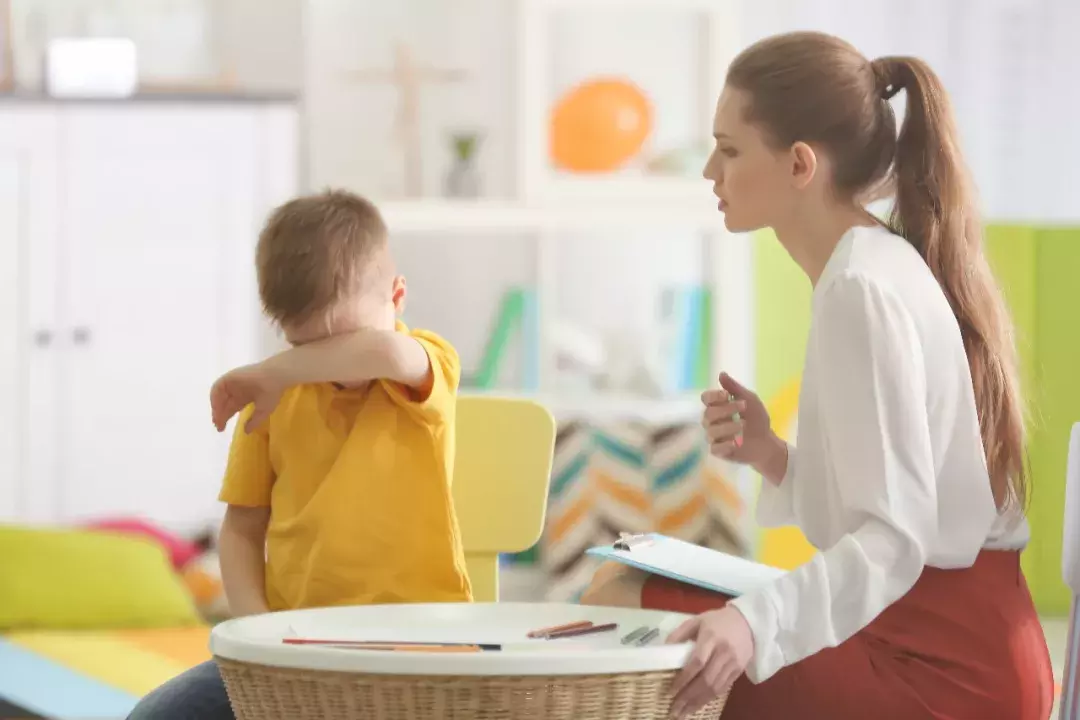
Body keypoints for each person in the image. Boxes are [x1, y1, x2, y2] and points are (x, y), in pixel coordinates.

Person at [580, 31, 1053, 720]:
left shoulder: (860, 287)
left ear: (800, 164)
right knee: (625, 587)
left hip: (944, 672)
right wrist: (773, 457)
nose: (711, 170)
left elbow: (896, 537)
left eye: (730, 148)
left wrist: (749, 625)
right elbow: (890, 501)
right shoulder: (869, 265)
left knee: (620, 601)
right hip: (945, 644)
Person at [127, 190, 472, 720]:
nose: (327, 366)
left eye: (339, 344)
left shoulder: (424, 365)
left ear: (397, 298)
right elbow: (242, 528)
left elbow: (383, 351)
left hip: (421, 647)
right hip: (296, 644)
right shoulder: (271, 404)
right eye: (304, 346)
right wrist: (256, 630)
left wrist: (277, 369)